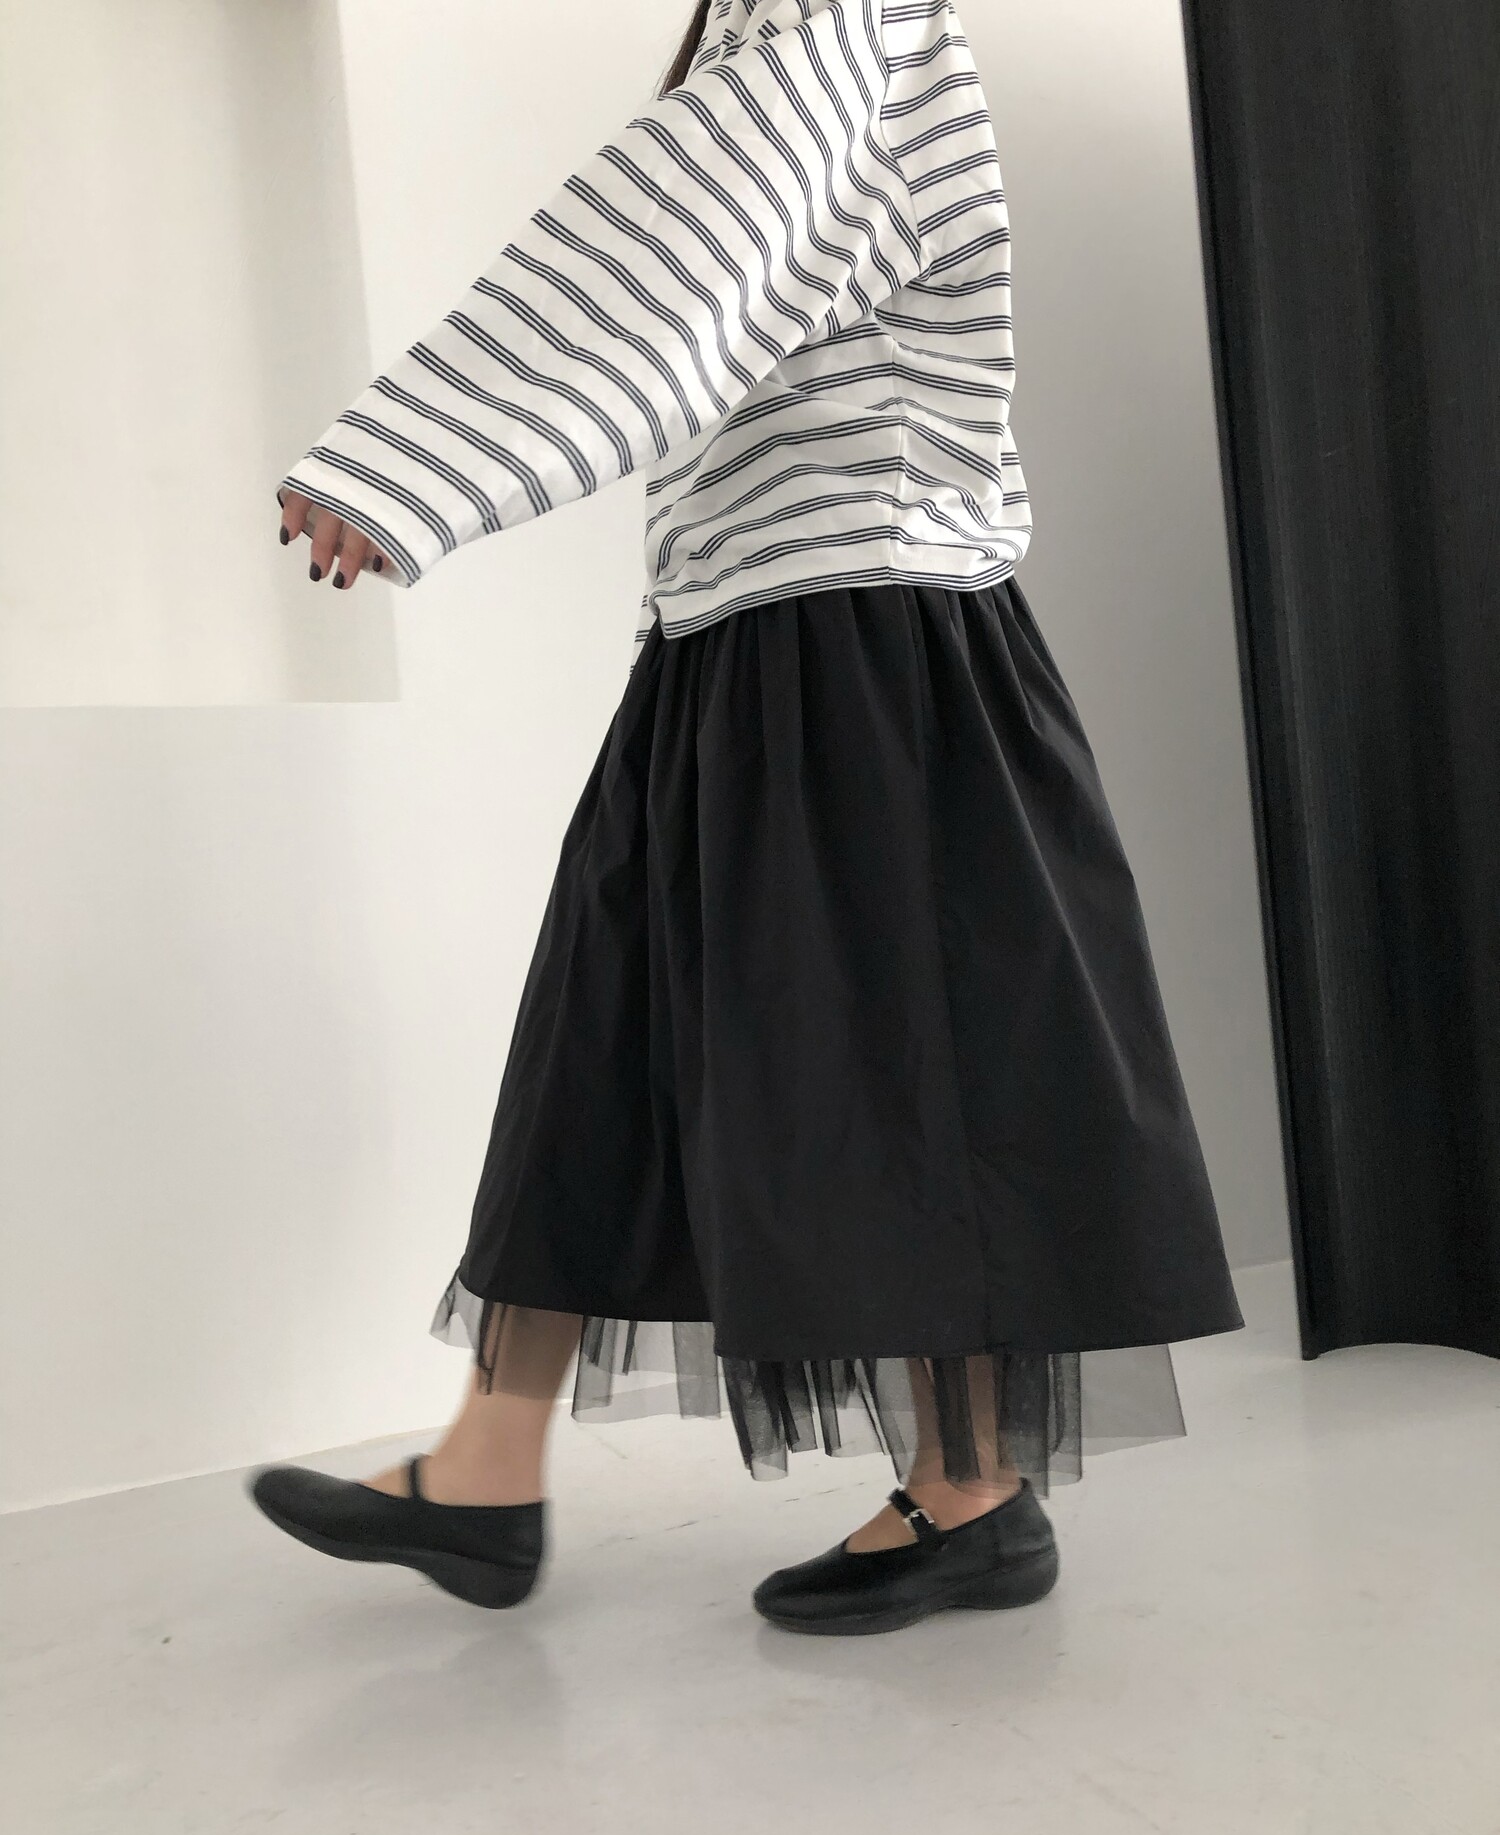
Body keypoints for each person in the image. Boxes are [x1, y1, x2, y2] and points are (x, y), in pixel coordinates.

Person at [248, 0, 1245, 1636]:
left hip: (860, 635)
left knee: (898, 1063)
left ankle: (973, 1495)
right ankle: (488, 1470)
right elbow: (694, 245)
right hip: (743, 626)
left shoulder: (840, 14)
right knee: (604, 1031)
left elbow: (678, 251)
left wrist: (410, 462)